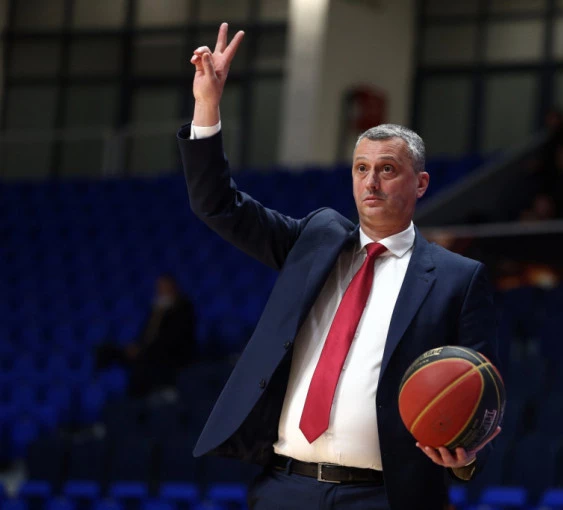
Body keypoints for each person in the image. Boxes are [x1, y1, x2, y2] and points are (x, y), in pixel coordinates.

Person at [178, 23, 500, 510]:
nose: (371, 182)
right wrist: (207, 105)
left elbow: (479, 388)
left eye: (387, 169)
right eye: (361, 168)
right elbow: (216, 205)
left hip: (384, 496)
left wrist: (465, 457)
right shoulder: (315, 240)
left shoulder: (458, 278)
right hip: (284, 486)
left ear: (420, 183)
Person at [96, 274, 197, 397]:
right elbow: (145, 333)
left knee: (144, 362)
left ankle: (138, 398)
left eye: (165, 287)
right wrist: (136, 346)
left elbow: (175, 337)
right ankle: (98, 388)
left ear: (173, 287)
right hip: (146, 349)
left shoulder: (183, 307)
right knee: (106, 350)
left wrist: (144, 348)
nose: (161, 290)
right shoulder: (155, 309)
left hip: (169, 352)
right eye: (159, 287)